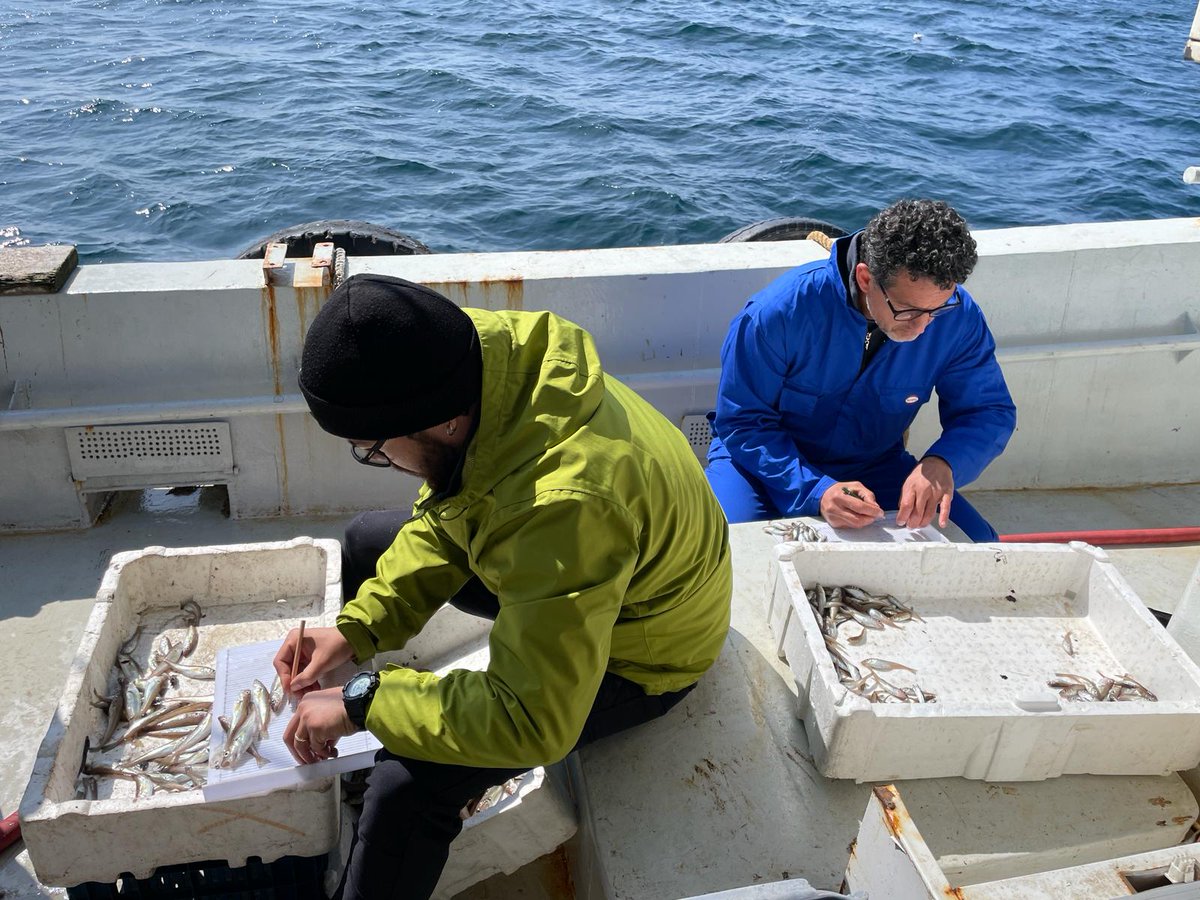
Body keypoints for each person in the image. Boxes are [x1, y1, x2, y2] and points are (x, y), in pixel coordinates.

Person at [273, 274, 733, 900]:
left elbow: (533, 720)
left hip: (644, 653)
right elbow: (455, 509)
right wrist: (357, 630)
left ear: (440, 424)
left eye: (373, 450)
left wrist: (364, 702)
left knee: (407, 785)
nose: (378, 462)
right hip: (591, 569)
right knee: (367, 541)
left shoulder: (562, 506)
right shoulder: (481, 359)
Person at [705, 198, 1016, 542]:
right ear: (866, 278)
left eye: (937, 309)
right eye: (908, 310)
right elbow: (743, 422)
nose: (923, 327)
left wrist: (944, 462)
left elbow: (987, 411)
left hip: (875, 465)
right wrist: (817, 490)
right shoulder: (777, 313)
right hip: (758, 466)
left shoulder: (958, 317)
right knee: (726, 545)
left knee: (979, 545)